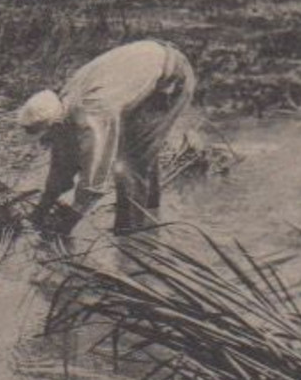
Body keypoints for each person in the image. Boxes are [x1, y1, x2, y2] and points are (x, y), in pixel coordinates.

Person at [18, 39, 197, 234]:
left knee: (130, 161)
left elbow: (96, 176)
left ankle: (131, 236)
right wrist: (42, 208)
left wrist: (69, 221)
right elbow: (62, 163)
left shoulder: (93, 111)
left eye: (44, 136)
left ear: (54, 126)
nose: (44, 143)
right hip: (144, 72)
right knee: (139, 153)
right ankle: (149, 213)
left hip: (170, 81)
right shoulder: (63, 105)